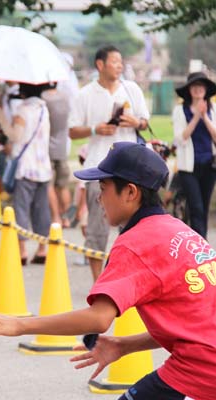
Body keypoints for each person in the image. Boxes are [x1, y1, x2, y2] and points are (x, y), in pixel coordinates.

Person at [0, 142, 216, 400]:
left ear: (131, 192)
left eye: (104, 186)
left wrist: (19, 324)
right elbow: (197, 325)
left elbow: (98, 319)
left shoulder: (135, 242)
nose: (98, 197)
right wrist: (125, 345)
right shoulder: (178, 230)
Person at [68, 45, 150, 281]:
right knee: (97, 228)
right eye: (114, 61)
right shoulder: (85, 94)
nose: (119, 66)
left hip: (130, 168)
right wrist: (96, 129)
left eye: (121, 62)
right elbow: (72, 131)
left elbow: (145, 122)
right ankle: (98, 283)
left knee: (133, 228)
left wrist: (135, 122)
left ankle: (129, 280)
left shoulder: (131, 89)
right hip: (98, 167)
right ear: (100, 64)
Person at [0, 82, 51, 265]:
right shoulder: (44, 109)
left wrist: (2, 118)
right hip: (43, 167)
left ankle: (22, 250)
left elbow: (15, 136)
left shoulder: (23, 110)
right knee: (41, 209)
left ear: (23, 91)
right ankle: (42, 249)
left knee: (21, 208)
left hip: (25, 167)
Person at [172, 72, 216, 238]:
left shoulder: (214, 109)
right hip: (188, 167)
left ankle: (202, 242)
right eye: (194, 86)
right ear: (188, 89)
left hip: (209, 165)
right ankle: (197, 244)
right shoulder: (180, 110)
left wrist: (205, 117)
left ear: (206, 89)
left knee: (205, 207)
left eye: (201, 86)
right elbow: (180, 138)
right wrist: (196, 117)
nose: (198, 89)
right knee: (196, 207)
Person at [41, 83, 72, 228]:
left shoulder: (43, 99)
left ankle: (55, 217)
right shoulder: (65, 97)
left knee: (49, 186)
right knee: (63, 186)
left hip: (47, 149)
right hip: (62, 148)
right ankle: (66, 218)